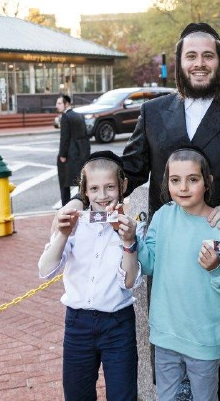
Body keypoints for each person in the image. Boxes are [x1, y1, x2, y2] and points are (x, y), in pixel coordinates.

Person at [56, 22, 220, 400]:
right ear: (179, 63)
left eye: (208, 55)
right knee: (172, 370)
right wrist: (81, 197)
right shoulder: (154, 112)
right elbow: (127, 170)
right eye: (191, 56)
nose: (199, 63)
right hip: (170, 257)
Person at [129, 147, 220, 401]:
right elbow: (149, 264)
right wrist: (132, 240)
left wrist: (215, 268)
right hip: (166, 333)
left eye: (192, 179)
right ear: (166, 182)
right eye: (175, 180)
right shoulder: (162, 217)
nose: (183, 187)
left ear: (207, 181)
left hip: (205, 338)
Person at [38, 151, 144, 401]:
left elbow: (130, 281)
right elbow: (45, 270)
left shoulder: (133, 227)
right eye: (94, 188)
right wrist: (63, 234)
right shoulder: (76, 224)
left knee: (123, 395)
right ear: (84, 191)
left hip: (118, 324)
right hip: (78, 323)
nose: (102, 195)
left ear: (123, 186)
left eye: (110, 187)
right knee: (77, 395)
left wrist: (128, 241)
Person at [56, 94, 91, 206]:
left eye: (59, 103)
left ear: (66, 104)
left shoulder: (65, 117)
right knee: (81, 181)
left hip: (69, 155)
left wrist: (62, 154)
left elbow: (64, 138)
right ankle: (83, 204)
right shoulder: (79, 115)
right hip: (81, 154)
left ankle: (66, 206)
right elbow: (85, 136)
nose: (57, 106)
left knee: (64, 182)